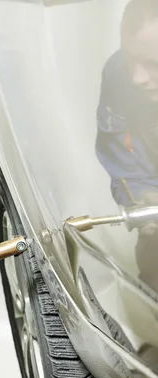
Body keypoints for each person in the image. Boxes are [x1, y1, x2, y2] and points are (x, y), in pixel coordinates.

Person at [95, 0, 158, 292]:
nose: (138, 77)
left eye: (152, 63)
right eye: (131, 59)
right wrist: (144, 198)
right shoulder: (119, 77)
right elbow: (123, 157)